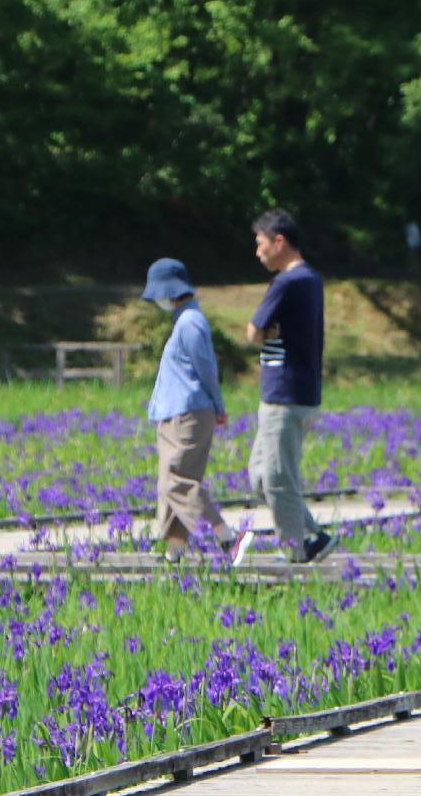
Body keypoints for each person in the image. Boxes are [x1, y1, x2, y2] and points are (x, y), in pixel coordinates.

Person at [245, 210, 333, 563]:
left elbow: (252, 332)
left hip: (284, 393)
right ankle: (313, 534)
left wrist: (266, 332)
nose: (258, 252)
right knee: (261, 476)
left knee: (278, 478)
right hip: (297, 391)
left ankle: (295, 551)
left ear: (279, 242)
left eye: (261, 244)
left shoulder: (287, 282)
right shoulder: (312, 278)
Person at [143, 257, 240, 561]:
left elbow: (207, 368)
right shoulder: (184, 320)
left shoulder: (190, 323)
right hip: (174, 412)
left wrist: (219, 404)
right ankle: (176, 550)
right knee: (169, 481)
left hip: (188, 413)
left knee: (178, 481)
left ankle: (227, 535)